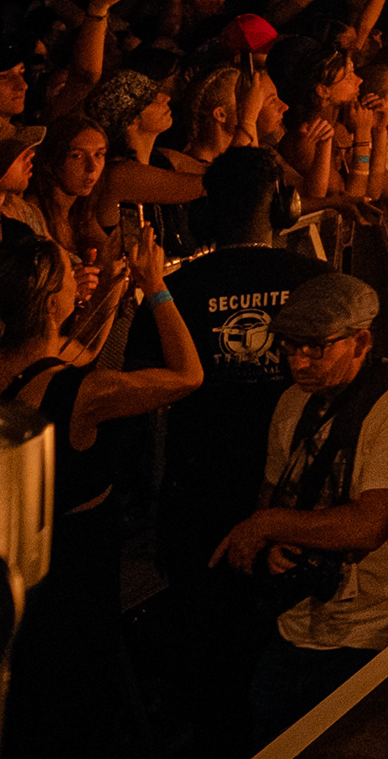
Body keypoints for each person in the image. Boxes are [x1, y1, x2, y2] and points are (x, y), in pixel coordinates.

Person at [0, 227, 202, 756]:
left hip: (25, 538)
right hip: (78, 553)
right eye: (68, 273)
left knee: (36, 680)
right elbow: (188, 375)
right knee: (80, 684)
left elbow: (76, 353)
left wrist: (116, 291)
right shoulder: (86, 394)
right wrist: (156, 287)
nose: (80, 274)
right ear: (51, 301)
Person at [146, 147, 331, 736]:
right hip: (302, 491)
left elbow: (144, 391)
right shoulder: (317, 284)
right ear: (283, 206)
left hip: (201, 493)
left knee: (213, 651)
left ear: (204, 215)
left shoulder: (174, 290)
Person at [217, 274, 388, 741]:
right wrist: (274, 544)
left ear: (361, 342)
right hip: (296, 625)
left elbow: (370, 525)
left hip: (376, 630)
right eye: (289, 346)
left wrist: (268, 525)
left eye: (315, 348)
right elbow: (273, 494)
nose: (298, 362)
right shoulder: (291, 404)